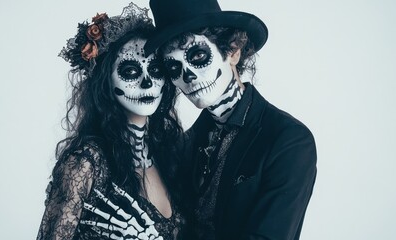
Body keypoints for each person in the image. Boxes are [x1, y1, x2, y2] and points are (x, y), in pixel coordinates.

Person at [143, 0, 317, 239]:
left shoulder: (288, 140)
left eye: (198, 55)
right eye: (174, 67)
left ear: (233, 50)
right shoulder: (184, 144)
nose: (188, 76)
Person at [37, 3, 184, 239]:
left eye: (155, 70)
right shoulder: (86, 162)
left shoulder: (170, 152)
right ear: (107, 81)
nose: (147, 83)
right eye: (130, 71)